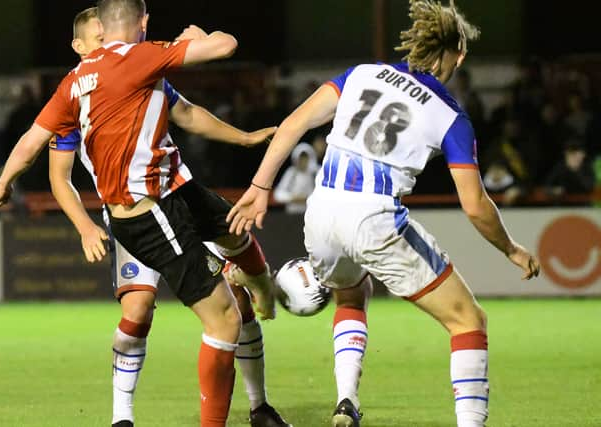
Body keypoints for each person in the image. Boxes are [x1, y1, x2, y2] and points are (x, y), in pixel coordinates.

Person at [227, 1, 540, 426]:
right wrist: (512, 249)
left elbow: (295, 122)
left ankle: (346, 401)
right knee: (469, 321)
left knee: (352, 293)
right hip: (372, 217)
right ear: (457, 54)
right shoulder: (450, 114)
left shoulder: (362, 74)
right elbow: (474, 204)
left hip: (321, 211)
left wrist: (260, 186)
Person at [0, 2, 285, 426]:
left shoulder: (73, 86)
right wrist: (196, 37)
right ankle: (128, 415)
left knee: (236, 228)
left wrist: (2, 184)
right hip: (145, 211)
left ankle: (264, 292)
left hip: (173, 189)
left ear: (105, 33)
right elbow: (227, 45)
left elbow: (31, 140)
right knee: (218, 318)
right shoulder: (138, 58)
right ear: (139, 25)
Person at [273, 143, 318, 214]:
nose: (303, 161)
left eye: (305, 158)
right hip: (292, 214)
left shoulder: (316, 172)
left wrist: (309, 198)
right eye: (301, 158)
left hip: (311, 214)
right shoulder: (291, 173)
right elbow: (278, 195)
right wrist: (293, 198)